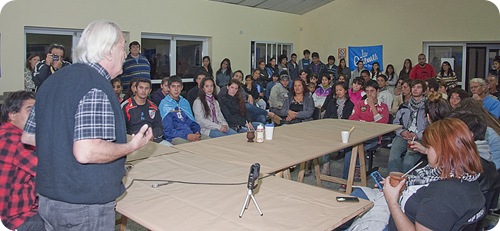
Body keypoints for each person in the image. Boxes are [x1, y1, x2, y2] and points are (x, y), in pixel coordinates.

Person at [21, 20, 152, 230]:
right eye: (122, 46)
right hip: (84, 207)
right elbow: (87, 151)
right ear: (108, 51)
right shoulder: (95, 86)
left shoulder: (52, 82)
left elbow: (28, 136)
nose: (125, 53)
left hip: (49, 200)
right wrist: (132, 146)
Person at [385, 118, 485, 230]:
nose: (426, 151)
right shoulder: (467, 177)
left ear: (442, 151)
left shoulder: (442, 195)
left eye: (428, 147)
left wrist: (392, 202)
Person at [0, 91, 44, 231]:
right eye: (30, 110)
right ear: (12, 115)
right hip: (14, 218)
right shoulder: (16, 140)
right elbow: (48, 171)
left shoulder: (4, 134)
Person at [339, 80, 389, 191]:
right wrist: (369, 123)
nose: (369, 94)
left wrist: (372, 107)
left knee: (353, 149)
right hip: (359, 135)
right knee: (350, 149)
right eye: (367, 91)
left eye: (372, 91)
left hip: (373, 138)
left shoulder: (383, 107)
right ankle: (346, 180)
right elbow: (352, 119)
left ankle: (351, 175)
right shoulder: (360, 104)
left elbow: (383, 125)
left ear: (378, 91)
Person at [388, 80, 428, 173]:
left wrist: (418, 135)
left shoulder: (428, 107)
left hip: (420, 137)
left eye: (418, 87)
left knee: (408, 162)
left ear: (424, 91)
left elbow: (431, 127)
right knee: (394, 157)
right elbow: (396, 123)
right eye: (413, 87)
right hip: (404, 135)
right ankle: (394, 180)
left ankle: (405, 182)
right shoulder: (404, 106)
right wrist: (401, 131)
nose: (415, 89)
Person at [159, 76, 208, 145]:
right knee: (190, 146)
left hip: (190, 133)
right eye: (173, 86)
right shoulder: (164, 104)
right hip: (175, 137)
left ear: (182, 88)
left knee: (208, 141)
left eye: (178, 86)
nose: (176, 89)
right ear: (168, 88)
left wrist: (196, 131)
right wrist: (187, 136)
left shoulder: (184, 102)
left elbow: (191, 121)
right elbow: (168, 131)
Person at [322, 82, 355, 175]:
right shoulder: (332, 102)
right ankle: (326, 164)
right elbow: (326, 116)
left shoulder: (350, 104)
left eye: (340, 90)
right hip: (332, 127)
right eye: (336, 90)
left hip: (345, 128)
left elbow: (351, 119)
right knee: (325, 139)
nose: (338, 92)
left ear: (345, 91)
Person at [122, 78, 165, 143]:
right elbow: (121, 128)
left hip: (153, 141)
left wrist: (152, 135)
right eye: (141, 88)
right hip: (133, 141)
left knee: (171, 149)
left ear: (150, 90)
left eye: (146, 88)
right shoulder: (126, 106)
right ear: (135, 89)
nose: (143, 91)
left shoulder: (153, 107)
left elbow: (159, 126)